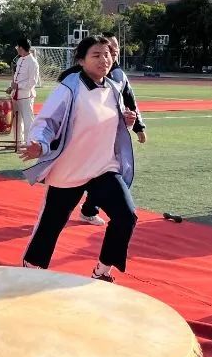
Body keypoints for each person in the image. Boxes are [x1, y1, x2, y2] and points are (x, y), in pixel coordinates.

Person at [19, 36, 140, 282]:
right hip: (70, 169)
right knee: (51, 225)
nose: (103, 60)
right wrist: (39, 145)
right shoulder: (69, 88)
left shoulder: (114, 88)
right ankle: (31, 270)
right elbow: (47, 122)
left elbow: (109, 122)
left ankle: (102, 271)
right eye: (96, 55)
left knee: (126, 216)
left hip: (104, 168)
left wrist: (126, 121)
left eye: (107, 55)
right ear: (81, 60)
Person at [76, 33, 147, 225]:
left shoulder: (118, 76)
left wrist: (137, 126)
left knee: (109, 181)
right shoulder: (77, 82)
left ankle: (89, 209)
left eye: (113, 51)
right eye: (108, 50)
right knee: (60, 204)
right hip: (82, 149)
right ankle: (86, 208)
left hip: (110, 145)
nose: (112, 54)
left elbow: (129, 101)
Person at [10, 39, 41, 147]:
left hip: (26, 95)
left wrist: (19, 86)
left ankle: (29, 143)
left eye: (17, 47)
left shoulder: (33, 62)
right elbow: (16, 78)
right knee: (16, 119)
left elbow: (33, 82)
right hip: (16, 95)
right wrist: (12, 86)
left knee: (28, 120)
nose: (17, 49)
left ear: (21, 48)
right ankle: (18, 142)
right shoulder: (20, 60)